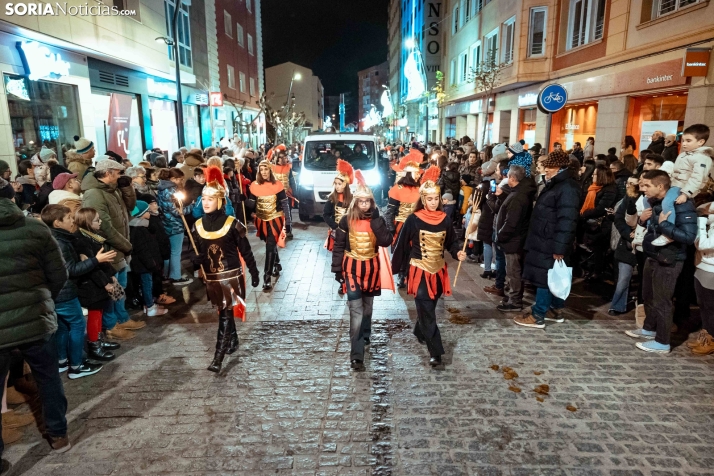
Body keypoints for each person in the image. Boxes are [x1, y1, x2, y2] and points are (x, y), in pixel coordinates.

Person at [0, 179, 72, 455]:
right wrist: (42, 299)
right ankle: (58, 435)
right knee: (48, 379)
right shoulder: (35, 229)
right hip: (36, 319)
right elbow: (59, 274)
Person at [392, 166, 467, 367]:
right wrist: (394, 269)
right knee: (427, 310)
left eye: (436, 198)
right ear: (424, 200)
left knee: (428, 308)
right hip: (419, 270)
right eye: (430, 199)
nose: (433, 202)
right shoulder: (414, 219)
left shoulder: (445, 219)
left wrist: (457, 251)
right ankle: (436, 352)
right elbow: (400, 244)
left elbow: (451, 241)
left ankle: (419, 330)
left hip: (438, 271)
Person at [193, 166, 259, 372]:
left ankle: (217, 358)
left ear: (220, 201)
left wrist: (254, 271)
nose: (205, 203)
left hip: (231, 276)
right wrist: (196, 262)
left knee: (224, 314)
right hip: (212, 278)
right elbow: (200, 257)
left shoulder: (233, 223)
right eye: (203, 199)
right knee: (224, 311)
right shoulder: (197, 226)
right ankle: (234, 340)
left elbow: (246, 251)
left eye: (210, 199)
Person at [625, 170, 697, 353]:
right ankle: (649, 328)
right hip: (653, 254)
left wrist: (665, 225)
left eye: (647, 185)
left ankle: (662, 341)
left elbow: (688, 236)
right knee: (648, 295)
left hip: (670, 258)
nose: (643, 189)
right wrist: (642, 221)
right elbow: (652, 228)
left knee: (662, 300)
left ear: (660, 186)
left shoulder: (681, 204)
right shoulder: (656, 203)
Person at [42, 205, 113, 378]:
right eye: (68, 218)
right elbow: (71, 270)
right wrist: (96, 260)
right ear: (57, 223)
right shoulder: (59, 242)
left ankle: (62, 361)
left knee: (63, 328)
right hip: (65, 293)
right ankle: (76, 366)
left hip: (57, 292)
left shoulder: (56, 238)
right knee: (77, 325)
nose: (72, 220)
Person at [332, 171, 392, 371]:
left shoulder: (378, 220)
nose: (364, 205)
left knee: (367, 309)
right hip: (352, 270)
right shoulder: (345, 221)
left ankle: (366, 333)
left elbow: (385, 241)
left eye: (368, 202)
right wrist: (337, 270)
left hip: (372, 270)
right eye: (361, 202)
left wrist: (376, 220)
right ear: (356, 202)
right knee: (356, 312)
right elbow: (339, 246)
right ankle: (357, 355)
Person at [517, 150, 581, 329]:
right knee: (550, 275)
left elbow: (567, 220)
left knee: (545, 277)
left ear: (559, 167)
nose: (545, 170)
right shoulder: (557, 184)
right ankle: (555, 309)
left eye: (549, 167)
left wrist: (560, 247)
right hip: (546, 238)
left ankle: (539, 314)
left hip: (551, 241)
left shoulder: (567, 187)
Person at [82, 159, 144, 341]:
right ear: (108, 173)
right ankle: (111, 325)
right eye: (118, 172)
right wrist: (126, 245)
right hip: (109, 251)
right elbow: (104, 227)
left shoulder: (113, 190)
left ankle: (122, 318)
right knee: (111, 289)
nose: (120, 176)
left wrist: (127, 189)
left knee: (121, 287)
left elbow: (130, 208)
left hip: (119, 248)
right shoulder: (94, 194)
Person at [651, 124, 712, 247]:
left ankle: (668, 233)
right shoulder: (685, 154)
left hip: (682, 187)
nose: (684, 144)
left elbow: (697, 178)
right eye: (683, 140)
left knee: (667, 203)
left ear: (701, 142)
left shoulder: (701, 158)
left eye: (688, 141)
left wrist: (686, 193)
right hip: (676, 184)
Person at [73, 208, 122, 357]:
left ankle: (99, 339)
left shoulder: (94, 237)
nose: (100, 222)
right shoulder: (81, 240)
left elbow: (103, 260)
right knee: (94, 313)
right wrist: (104, 283)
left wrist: (111, 275)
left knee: (100, 312)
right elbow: (91, 265)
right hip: (91, 283)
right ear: (87, 222)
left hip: (99, 280)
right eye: (96, 220)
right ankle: (94, 345)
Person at [491, 165, 534, 312]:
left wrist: (500, 236)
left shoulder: (518, 196)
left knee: (513, 271)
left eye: (508, 176)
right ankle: (512, 296)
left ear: (513, 178)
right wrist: (502, 196)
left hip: (513, 241)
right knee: (513, 270)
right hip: (515, 240)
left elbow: (512, 222)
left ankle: (515, 301)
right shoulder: (518, 192)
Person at [249, 159, 291, 291]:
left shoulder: (277, 185)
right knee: (269, 244)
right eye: (261, 170)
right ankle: (277, 263)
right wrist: (243, 200)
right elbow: (251, 204)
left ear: (270, 170)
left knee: (270, 245)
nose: (264, 172)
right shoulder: (254, 185)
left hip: (276, 219)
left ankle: (266, 278)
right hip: (261, 221)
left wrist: (288, 222)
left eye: (266, 169)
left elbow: (285, 204)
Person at [384, 149, 423, 288]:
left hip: (417, 226)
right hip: (401, 226)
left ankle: (411, 275)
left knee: (415, 252)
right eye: (416, 173)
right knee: (402, 251)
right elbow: (389, 212)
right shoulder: (397, 188)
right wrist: (391, 228)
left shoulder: (421, 189)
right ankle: (402, 275)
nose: (419, 175)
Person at [128, 200, 168, 317]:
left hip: (145, 263)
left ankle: (148, 305)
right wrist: (151, 263)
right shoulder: (138, 230)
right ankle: (150, 307)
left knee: (146, 283)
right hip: (144, 264)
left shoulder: (141, 226)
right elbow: (142, 250)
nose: (150, 212)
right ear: (141, 214)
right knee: (147, 284)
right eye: (147, 211)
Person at [609, 175, 641, 315]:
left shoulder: (653, 200)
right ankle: (617, 305)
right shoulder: (629, 198)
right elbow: (619, 218)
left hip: (645, 243)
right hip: (627, 244)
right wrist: (629, 234)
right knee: (623, 278)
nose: (629, 186)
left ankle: (642, 308)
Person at [157, 168, 194, 286]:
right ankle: (175, 276)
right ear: (172, 179)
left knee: (169, 251)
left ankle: (167, 274)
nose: (180, 182)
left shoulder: (162, 189)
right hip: (174, 224)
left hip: (166, 223)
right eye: (179, 179)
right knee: (175, 251)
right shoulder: (171, 191)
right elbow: (178, 211)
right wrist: (191, 207)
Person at [580, 166, 618, 279]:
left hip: (601, 225)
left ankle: (597, 272)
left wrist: (584, 213)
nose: (592, 176)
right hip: (591, 223)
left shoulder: (610, 189)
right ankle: (591, 269)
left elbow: (601, 209)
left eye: (595, 174)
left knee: (599, 250)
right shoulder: (594, 188)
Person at [323, 159, 354, 296]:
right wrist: (335, 226)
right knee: (339, 258)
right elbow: (326, 215)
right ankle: (342, 282)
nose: (337, 186)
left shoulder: (353, 198)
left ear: (345, 184)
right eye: (335, 184)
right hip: (337, 233)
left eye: (339, 184)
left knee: (349, 257)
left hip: (350, 234)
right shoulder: (332, 198)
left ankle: (349, 280)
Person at [687, 201, 714, 354]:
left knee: (710, 307)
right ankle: (705, 334)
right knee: (703, 305)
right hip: (702, 265)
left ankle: (710, 339)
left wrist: (702, 221)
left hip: (712, 270)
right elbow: (701, 208)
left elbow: (703, 244)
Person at [272, 151, 297, 237]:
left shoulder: (288, 168)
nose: (283, 159)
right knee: (277, 213)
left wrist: (295, 191)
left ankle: (288, 230)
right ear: (277, 158)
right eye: (281, 157)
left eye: (285, 157)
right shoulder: (272, 168)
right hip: (275, 194)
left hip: (287, 194)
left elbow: (292, 181)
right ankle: (278, 231)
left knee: (288, 213)